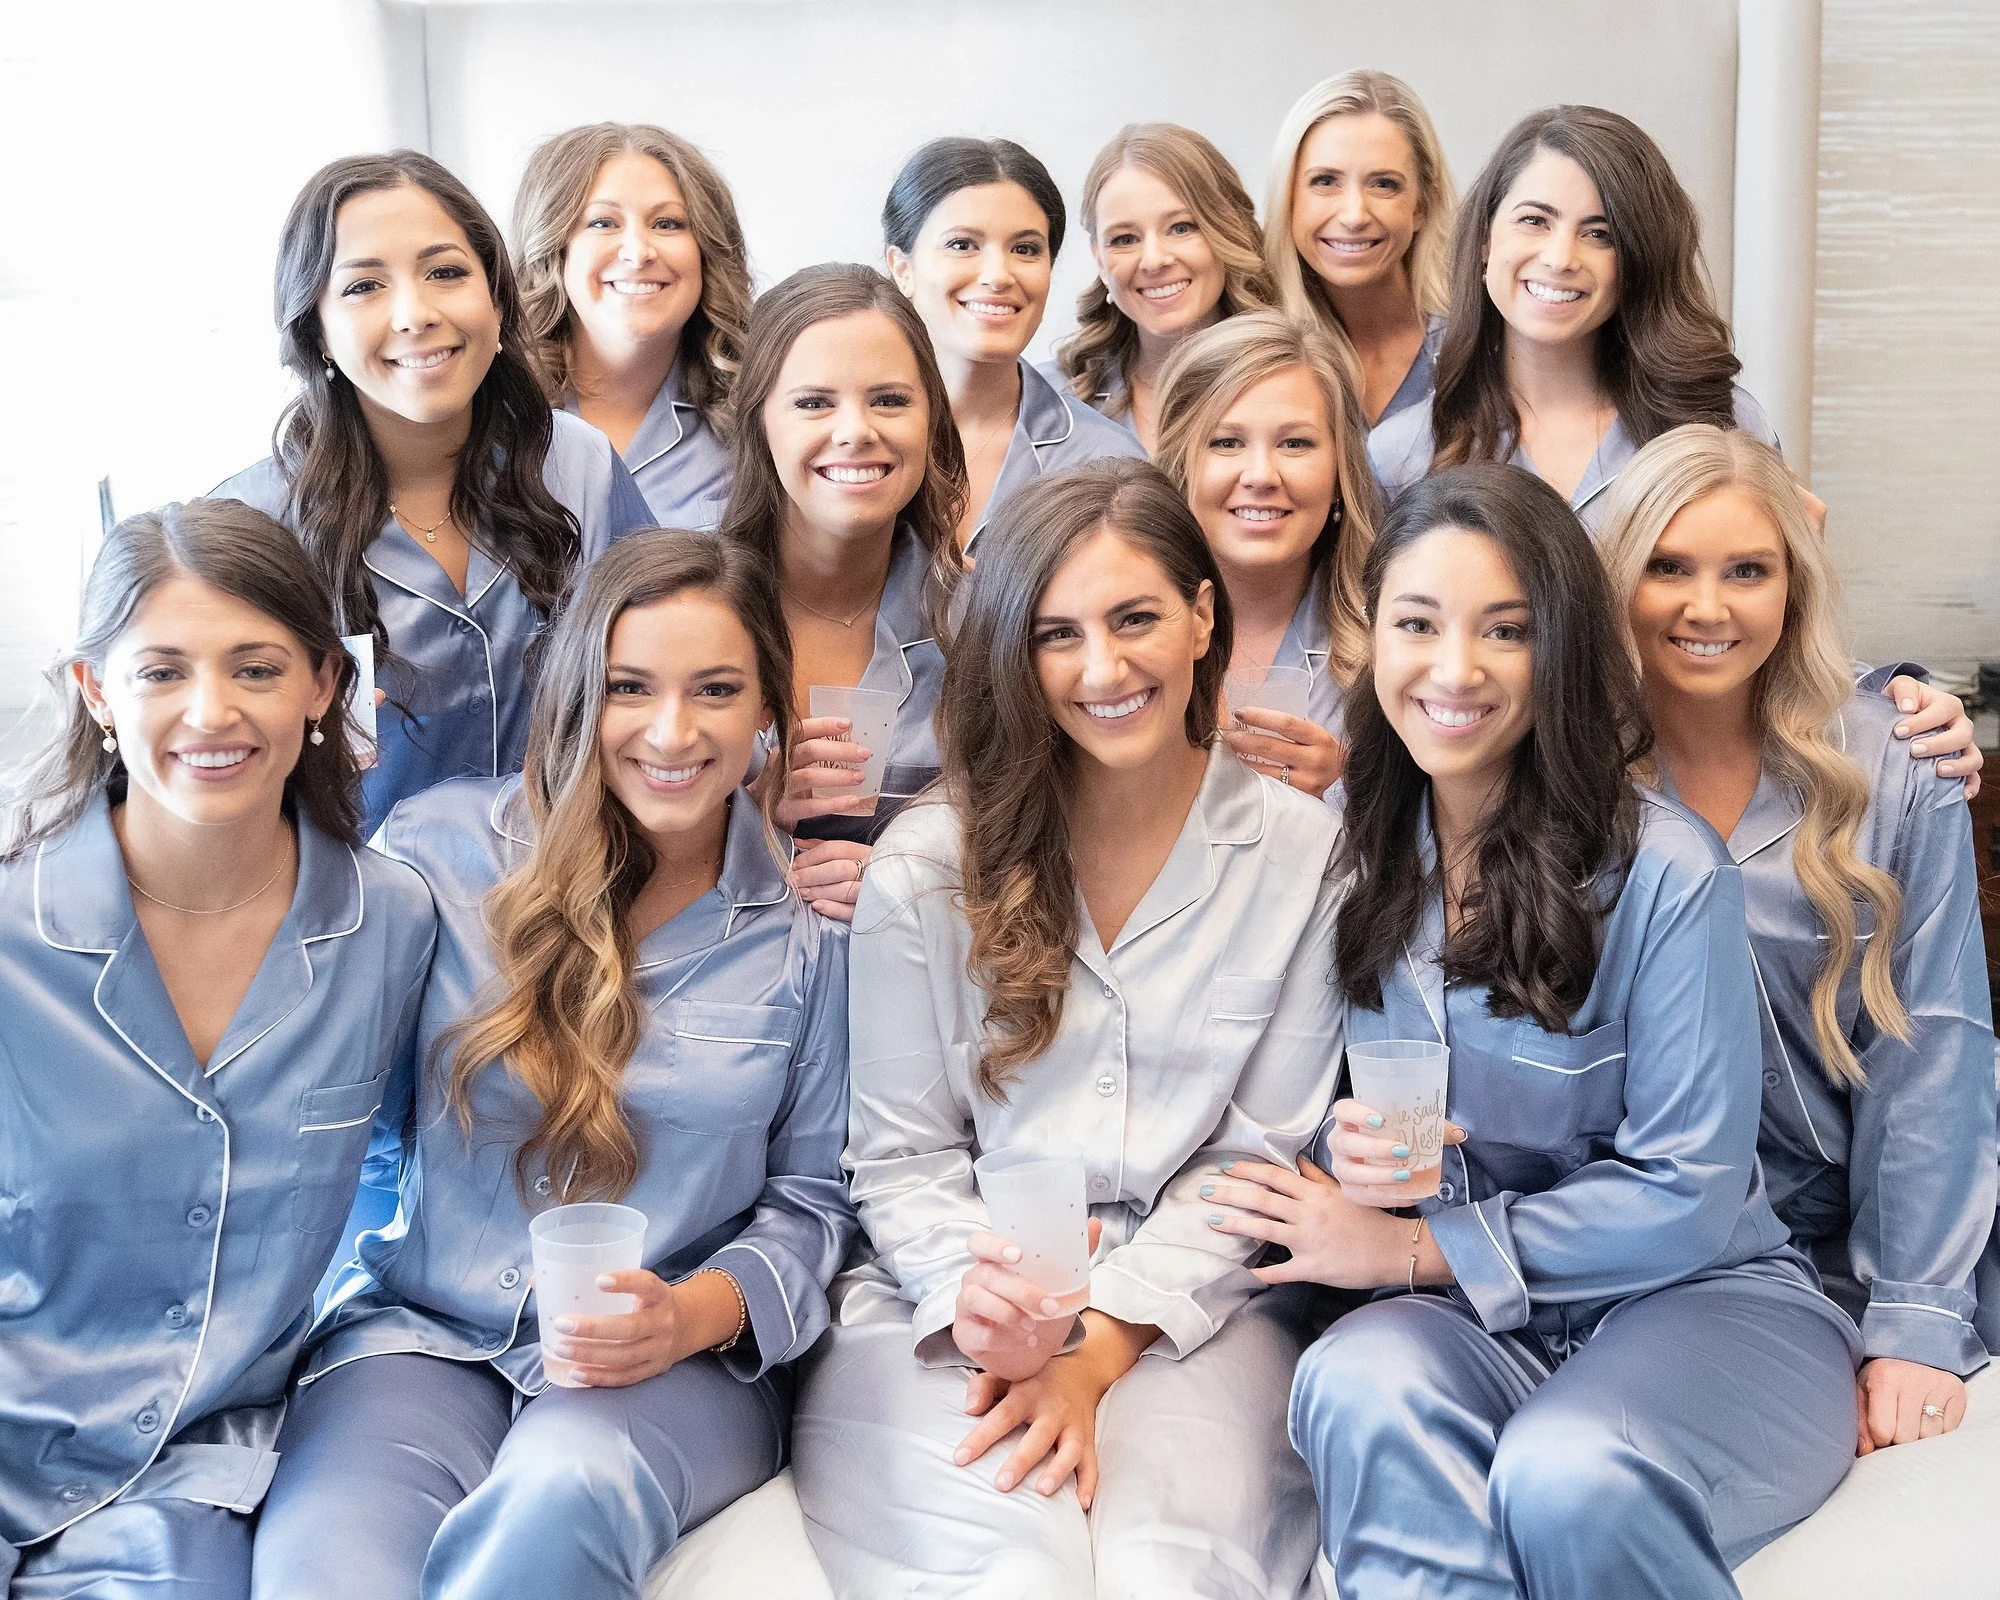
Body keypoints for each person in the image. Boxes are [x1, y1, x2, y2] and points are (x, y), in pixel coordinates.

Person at [1212, 463, 1862, 1598]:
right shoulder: (1339, 853)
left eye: (1503, 631)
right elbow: (1290, 1103)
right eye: (1418, 623)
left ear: (1555, 651)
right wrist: (1340, 1162)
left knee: (1568, 1470)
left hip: (1702, 1303)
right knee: (1355, 1382)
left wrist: (1415, 1249)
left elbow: (1688, 1188)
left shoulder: (1663, 872)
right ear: (1376, 642)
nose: (1453, 670)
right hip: (1465, 1324)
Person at [250, 530, 854, 1600]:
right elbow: (321, 1098)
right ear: (580, 692)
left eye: (714, 689)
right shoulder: (436, 856)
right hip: (423, 1333)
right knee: (328, 1568)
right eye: (631, 687)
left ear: (766, 709)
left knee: (562, 1494)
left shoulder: (809, 937)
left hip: (678, 1364)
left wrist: (684, 1315)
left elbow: (812, 1205)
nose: (672, 731)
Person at [792, 459, 1342, 1599]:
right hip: (938, 1300)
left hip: (1201, 1309)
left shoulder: (1304, 854)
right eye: (1056, 634)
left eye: (1135, 617)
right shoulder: (925, 867)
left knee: (1167, 1575)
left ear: (1201, 618)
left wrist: (1097, 1348)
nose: (1102, 667)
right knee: (1005, 1574)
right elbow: (900, 1157)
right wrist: (974, 1301)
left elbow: (1253, 1161)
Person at [0, 500, 436, 1597]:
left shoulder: (391, 923)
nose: (210, 711)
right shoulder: (11, 923)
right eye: (161, 672)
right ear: (97, 691)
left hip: (187, 1476)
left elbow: (399, 1176)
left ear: (325, 686)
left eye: (255, 667)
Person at [1595, 424, 1998, 1455]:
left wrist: (1910, 1320)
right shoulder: (1564, 778)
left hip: (1855, 1245)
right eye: (1667, 568)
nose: (1706, 606)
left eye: (1746, 571)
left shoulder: (1895, 763)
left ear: (1792, 584)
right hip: (1662, 1258)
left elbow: (1933, 1049)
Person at [213, 150, 654, 831]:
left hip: (572, 897)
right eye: (364, 287)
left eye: (446, 272)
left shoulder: (580, 467)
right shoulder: (255, 525)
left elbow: (666, 670)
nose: (415, 314)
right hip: (359, 919)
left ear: (497, 298)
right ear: (316, 329)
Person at [1368, 104, 1774, 527]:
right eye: (1535, 220)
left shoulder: (1726, 425)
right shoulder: (1401, 455)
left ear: (1639, 258)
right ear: (1485, 240)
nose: (1560, 259)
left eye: (1599, 234)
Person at [719, 263, 966, 920]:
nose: (856, 429)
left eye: (889, 400)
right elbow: (601, 833)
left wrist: (917, 875)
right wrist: (752, 815)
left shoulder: (984, 623)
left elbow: (1043, 836)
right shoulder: (681, 609)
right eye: (813, 402)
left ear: (931, 421)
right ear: (759, 422)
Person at [1153, 310, 1379, 796]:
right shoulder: (1116, 631)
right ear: (1180, 466)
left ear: (1340, 472)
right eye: (1226, 442)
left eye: (1295, 443)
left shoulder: (1397, 639)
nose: (1261, 476)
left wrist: (1352, 790)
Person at [883, 136, 1145, 553]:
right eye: (962, 244)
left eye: (1025, 249)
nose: (999, 275)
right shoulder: (845, 441)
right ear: (902, 267)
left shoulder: (1105, 459)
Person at [513, 122, 749, 527]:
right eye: (603, 223)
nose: (638, 252)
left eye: (667, 224)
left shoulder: (756, 411)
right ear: (555, 250)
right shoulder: (496, 413)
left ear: (706, 251)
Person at [1045, 123, 1273, 452]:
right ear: (1099, 260)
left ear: (1230, 231)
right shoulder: (1049, 400)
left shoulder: (1299, 380)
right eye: (1125, 239)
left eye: (1181, 228)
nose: (1153, 261)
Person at [1264, 70, 1456, 425]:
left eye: (1384, 184)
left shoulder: (1477, 345)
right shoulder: (1253, 353)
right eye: (1325, 181)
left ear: (1423, 205)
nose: (1354, 216)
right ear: (1287, 196)